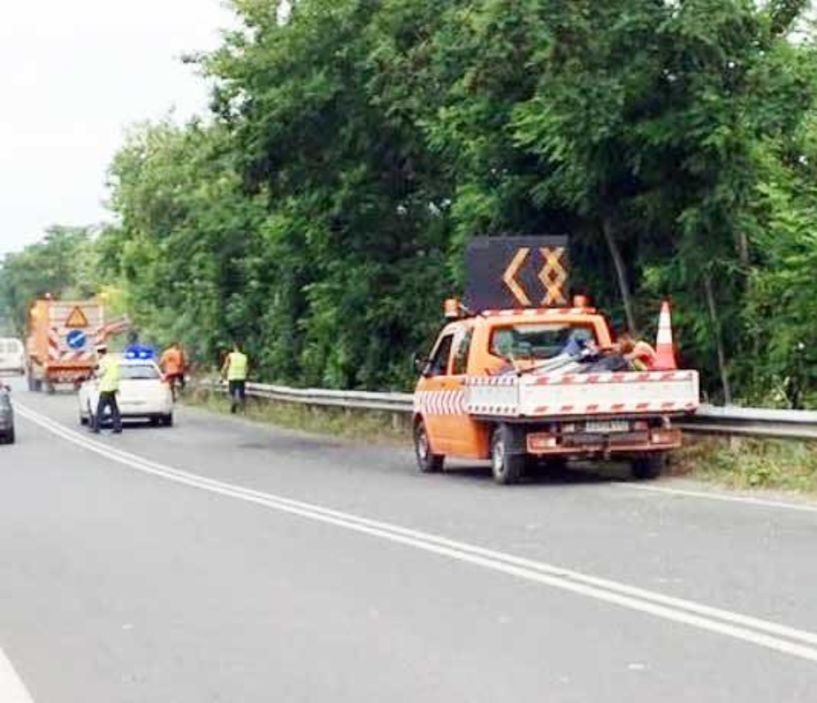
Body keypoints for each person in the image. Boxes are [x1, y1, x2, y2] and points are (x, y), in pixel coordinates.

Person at [91, 345, 122, 434]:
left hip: (106, 387)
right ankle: (117, 427)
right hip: (113, 386)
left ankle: (96, 428)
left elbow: (100, 373)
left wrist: (95, 371)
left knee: (100, 408)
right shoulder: (112, 360)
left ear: (100, 353)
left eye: (98, 354)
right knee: (114, 409)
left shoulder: (103, 361)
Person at [221, 342, 248, 413]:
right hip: (241, 377)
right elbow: (246, 368)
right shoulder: (244, 357)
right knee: (241, 394)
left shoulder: (230, 356)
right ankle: (242, 410)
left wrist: (222, 374)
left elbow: (226, 365)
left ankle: (233, 404)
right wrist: (246, 375)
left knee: (231, 393)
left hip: (232, 376)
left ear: (235, 347)